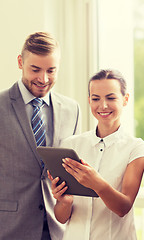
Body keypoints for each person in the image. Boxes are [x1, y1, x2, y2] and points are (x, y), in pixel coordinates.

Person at [49, 69, 144, 240]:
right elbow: (61, 217)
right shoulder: (71, 145)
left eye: (111, 98)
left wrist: (96, 183)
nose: (103, 105)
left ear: (125, 99)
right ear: (89, 101)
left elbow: (123, 208)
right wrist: (64, 201)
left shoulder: (136, 148)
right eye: (96, 99)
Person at [0, 32, 81, 240]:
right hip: (9, 227)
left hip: (57, 228)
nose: (43, 79)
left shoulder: (72, 110)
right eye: (35, 69)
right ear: (20, 62)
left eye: (51, 70)